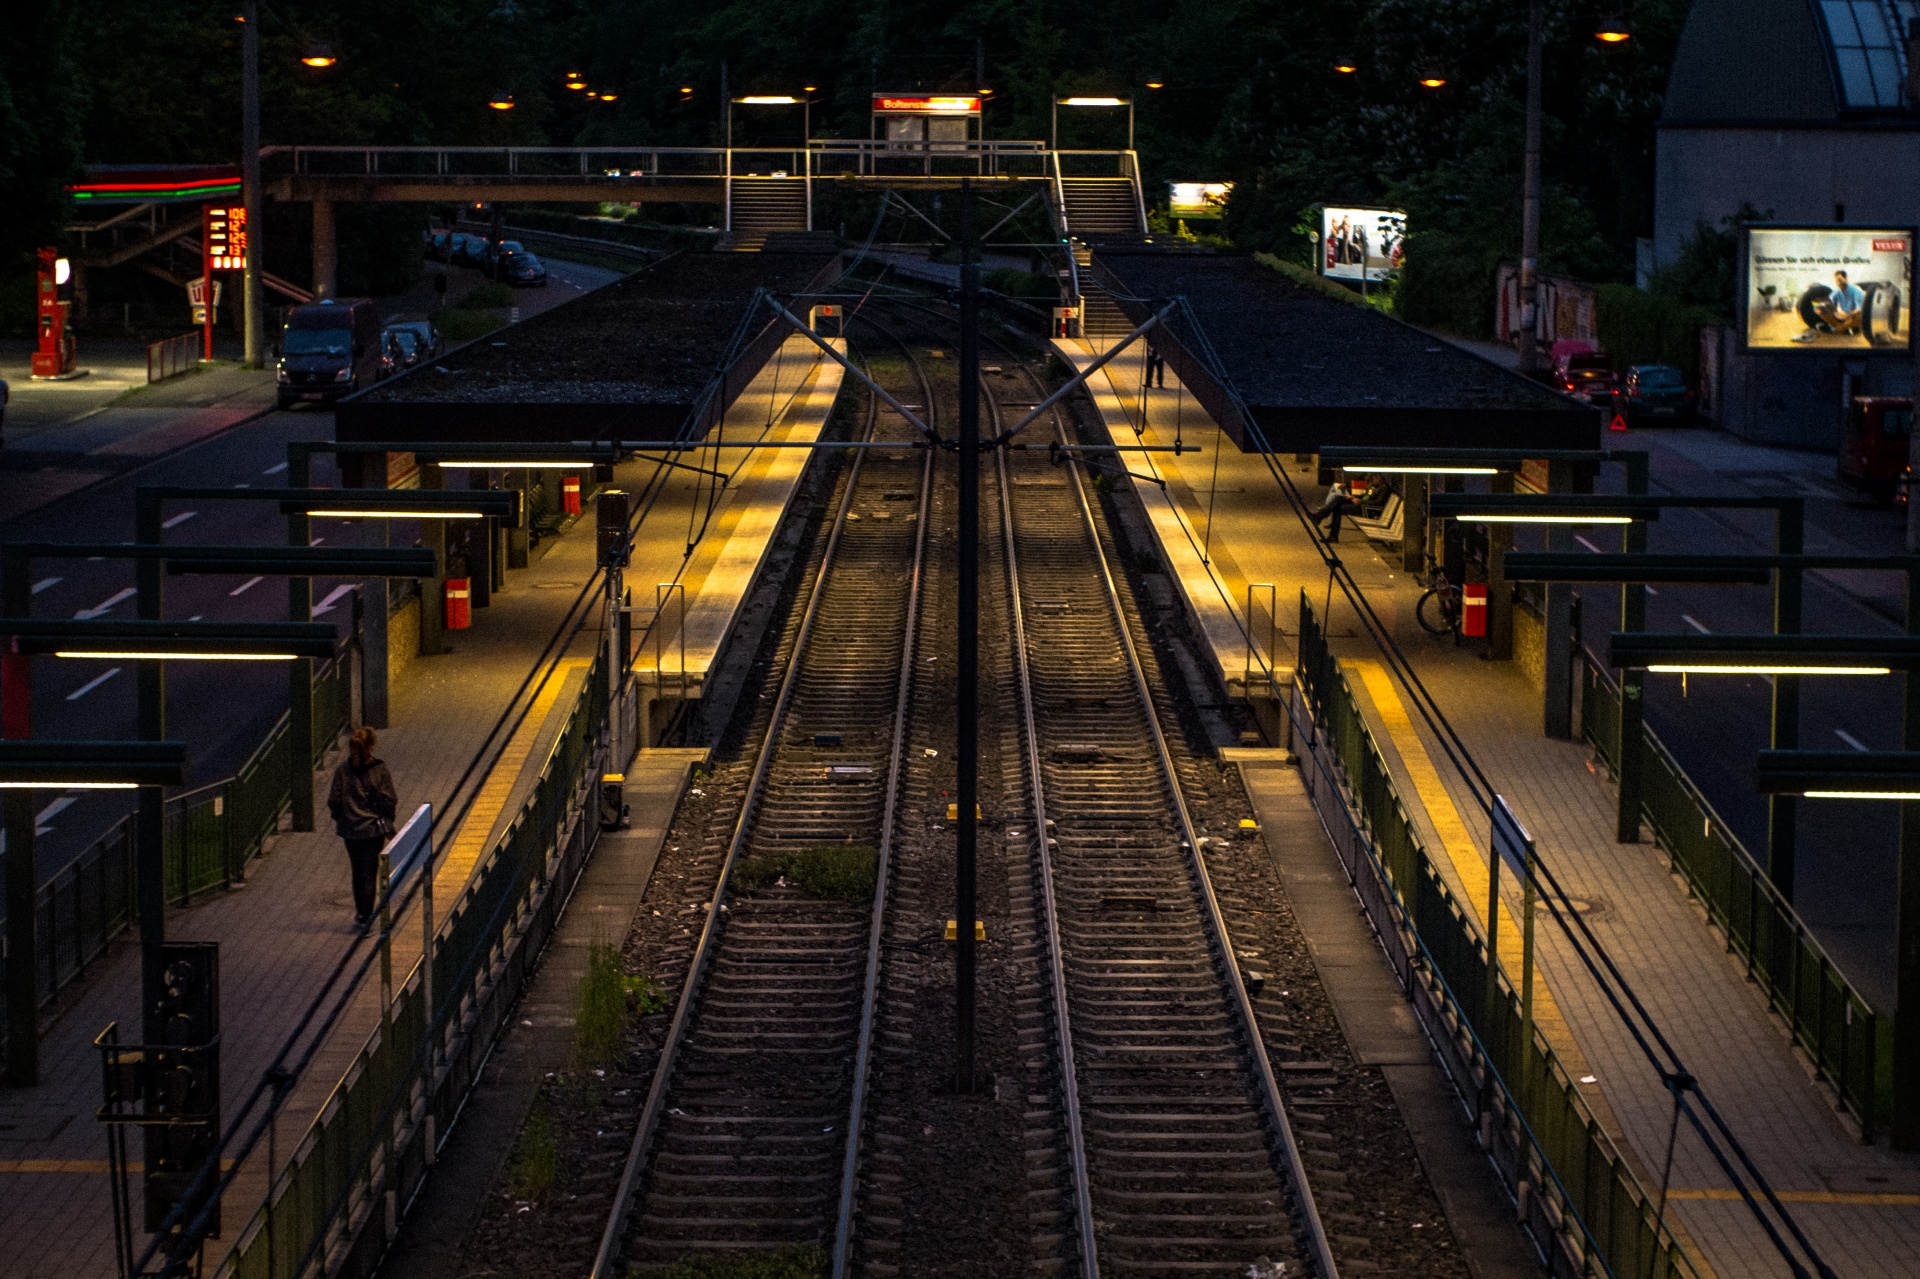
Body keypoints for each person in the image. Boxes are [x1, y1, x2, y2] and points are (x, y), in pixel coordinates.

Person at [328, 727, 398, 928]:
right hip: (372, 830)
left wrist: (343, 818)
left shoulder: (343, 770)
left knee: (357, 871)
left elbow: (334, 799)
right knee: (369, 871)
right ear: (372, 746)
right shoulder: (379, 769)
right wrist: (386, 817)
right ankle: (366, 916)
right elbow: (390, 798)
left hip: (350, 831)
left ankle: (361, 912)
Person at [1795, 270, 1867, 342]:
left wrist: (1846, 315)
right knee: (1820, 308)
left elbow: (1859, 309)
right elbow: (1828, 301)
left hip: (1855, 317)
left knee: (1858, 315)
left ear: (1846, 278)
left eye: (1840, 280)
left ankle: (1836, 329)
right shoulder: (1838, 292)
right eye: (1836, 282)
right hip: (1843, 318)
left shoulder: (1856, 291)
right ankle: (1842, 328)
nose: (1839, 283)